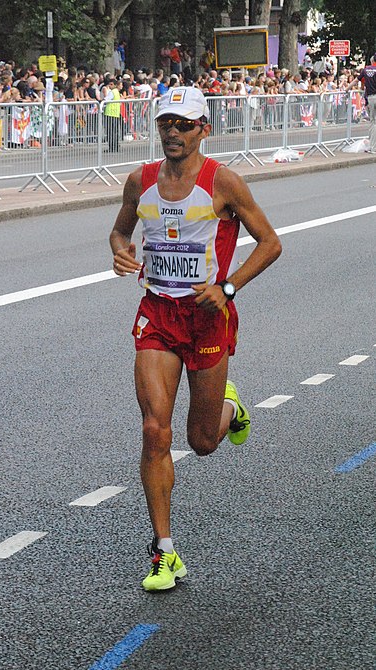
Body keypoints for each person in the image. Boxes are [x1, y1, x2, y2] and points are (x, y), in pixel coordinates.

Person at [109, 87, 282, 591]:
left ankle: (230, 409)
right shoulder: (139, 181)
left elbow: (270, 243)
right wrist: (120, 251)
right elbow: (119, 232)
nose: (173, 133)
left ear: (204, 129)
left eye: (184, 125)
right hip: (157, 315)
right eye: (166, 123)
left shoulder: (223, 182)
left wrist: (228, 289)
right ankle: (164, 552)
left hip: (207, 319)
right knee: (153, 431)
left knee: (201, 442)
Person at [347, 54, 376, 153]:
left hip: (371, 98)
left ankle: (373, 146)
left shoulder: (366, 70)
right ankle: (373, 146)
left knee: (373, 122)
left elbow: (355, 81)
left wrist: (346, 89)